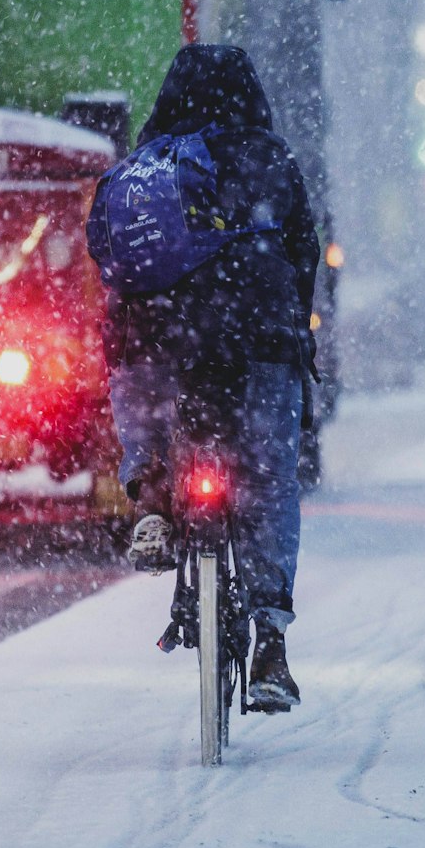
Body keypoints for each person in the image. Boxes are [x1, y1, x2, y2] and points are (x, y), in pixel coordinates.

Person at [94, 44, 320, 711]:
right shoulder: (270, 159)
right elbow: (303, 250)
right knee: (272, 474)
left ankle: (152, 500)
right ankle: (272, 642)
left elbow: (108, 259)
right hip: (257, 335)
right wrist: (294, 326)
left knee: (134, 378)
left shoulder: (142, 167)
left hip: (160, 335)